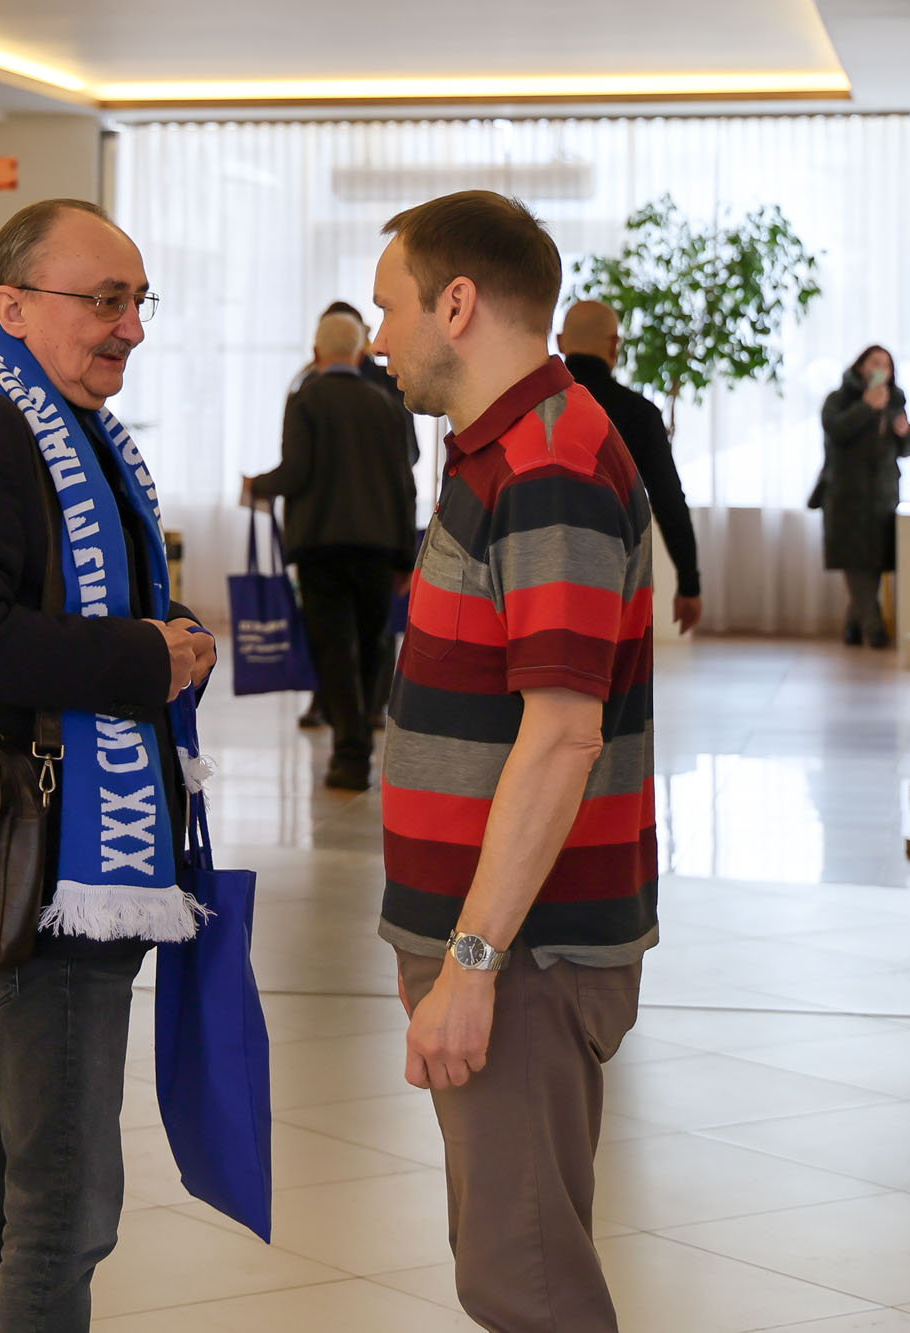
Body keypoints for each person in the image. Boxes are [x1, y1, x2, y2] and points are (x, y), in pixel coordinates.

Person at [0, 198, 216, 1332]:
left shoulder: (60, 426)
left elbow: (67, 600)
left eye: (138, 300)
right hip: (51, 856)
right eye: (104, 299)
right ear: (12, 305)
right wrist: (144, 656)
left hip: (67, 842)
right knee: (63, 1204)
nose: (130, 325)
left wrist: (165, 635)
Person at [369, 190, 655, 1333]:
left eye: (389, 307)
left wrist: (472, 962)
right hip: (496, 943)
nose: (377, 336)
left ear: (455, 304)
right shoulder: (497, 452)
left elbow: (562, 734)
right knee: (507, 1263)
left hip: (522, 950)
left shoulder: (545, 466)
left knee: (525, 1282)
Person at [244, 310, 416, 790]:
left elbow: (295, 471)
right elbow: (404, 485)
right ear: (360, 353)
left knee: (333, 649)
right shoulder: (387, 403)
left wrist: (257, 485)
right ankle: (361, 742)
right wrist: (406, 556)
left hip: (321, 547)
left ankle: (350, 755)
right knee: (370, 645)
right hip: (378, 548)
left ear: (317, 352)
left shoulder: (306, 399)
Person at [291, 300, 418, 731]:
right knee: (344, 632)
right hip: (357, 529)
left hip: (341, 529)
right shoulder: (313, 385)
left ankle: (367, 712)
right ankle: (340, 710)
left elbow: (407, 458)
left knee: (362, 633)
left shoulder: (384, 384)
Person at [558, 300, 704, 633]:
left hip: (534, 580)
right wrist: (689, 583)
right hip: (616, 582)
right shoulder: (640, 415)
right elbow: (669, 502)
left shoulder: (532, 409)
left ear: (559, 342)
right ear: (615, 346)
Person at [818, 344, 910, 648]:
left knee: (873, 562)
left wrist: (905, 433)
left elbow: (909, 449)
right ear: (861, 366)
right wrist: (866, 406)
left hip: (883, 496)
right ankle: (874, 628)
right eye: (875, 362)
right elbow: (835, 430)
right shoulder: (838, 399)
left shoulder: (895, 401)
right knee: (856, 561)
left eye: (886, 365)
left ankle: (853, 623)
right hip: (846, 496)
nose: (881, 370)